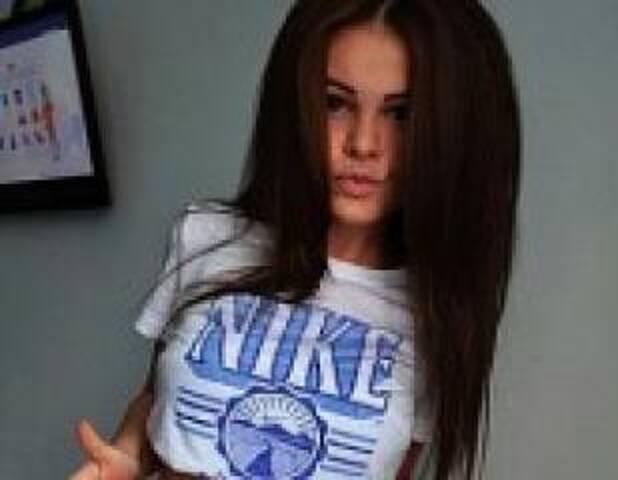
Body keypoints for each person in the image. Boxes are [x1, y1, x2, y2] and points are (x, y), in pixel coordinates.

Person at [70, 0, 520, 478]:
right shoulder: (206, 237)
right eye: (336, 103)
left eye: (402, 113)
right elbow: (158, 399)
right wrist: (125, 455)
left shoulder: (435, 312)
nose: (364, 143)